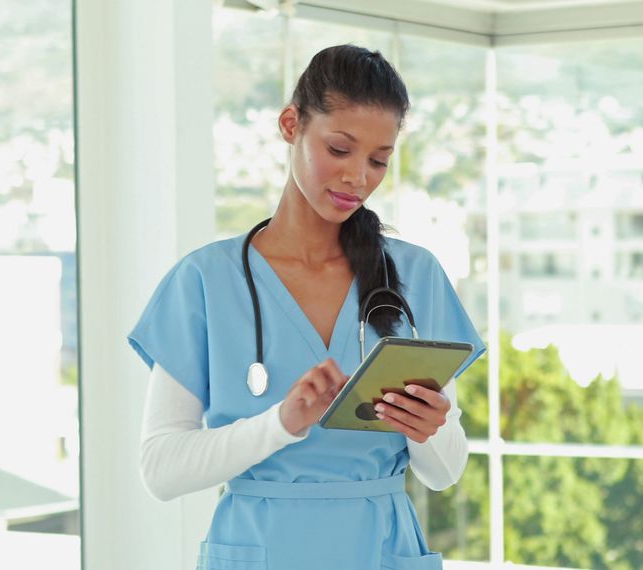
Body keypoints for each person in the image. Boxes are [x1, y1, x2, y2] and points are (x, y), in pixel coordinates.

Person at [128, 44, 486, 570]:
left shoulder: (415, 275)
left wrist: (429, 429)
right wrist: (281, 423)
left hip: (382, 550)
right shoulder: (204, 281)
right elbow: (161, 471)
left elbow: (444, 472)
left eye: (378, 160)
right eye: (339, 150)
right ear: (291, 124)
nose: (357, 178)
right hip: (260, 550)